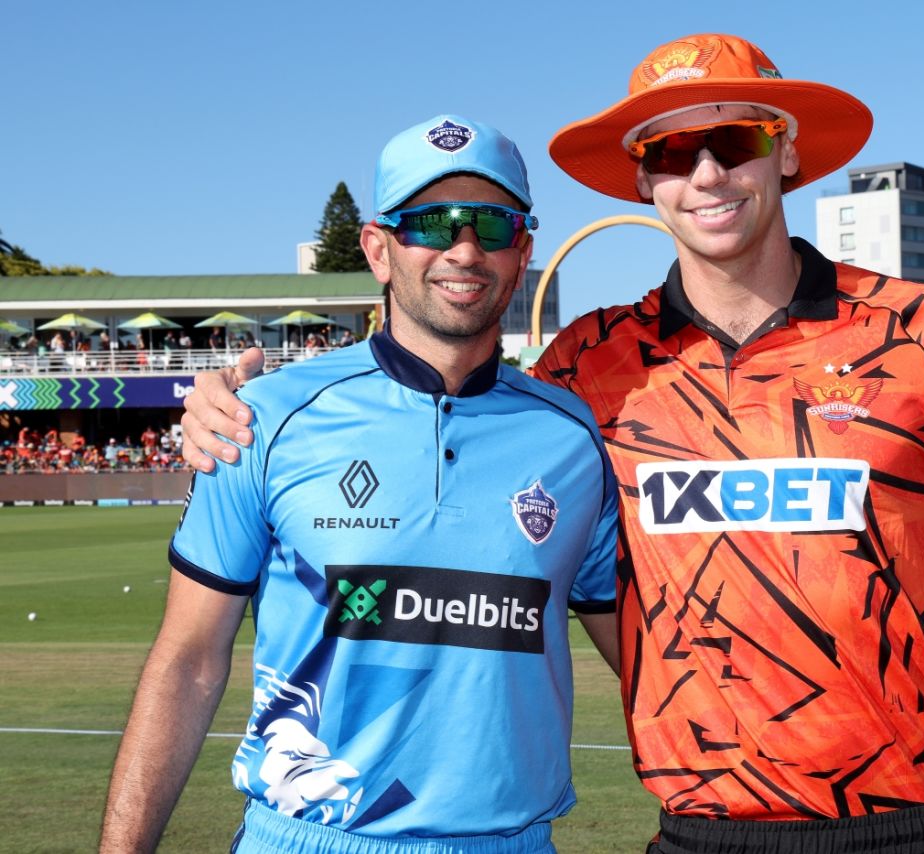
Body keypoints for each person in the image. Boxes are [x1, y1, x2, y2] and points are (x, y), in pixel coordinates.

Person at [180, 34, 924, 854]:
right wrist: (230, 402)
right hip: (699, 832)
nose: (706, 174)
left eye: (732, 142)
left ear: (787, 153)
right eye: (669, 152)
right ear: (643, 181)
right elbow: (435, 388)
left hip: (919, 826)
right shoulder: (587, 370)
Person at [102, 115, 621, 854]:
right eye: (429, 223)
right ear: (378, 249)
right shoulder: (262, 418)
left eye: (492, 225)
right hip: (308, 837)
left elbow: (645, 654)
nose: (464, 248)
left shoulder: (571, 435)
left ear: (524, 251)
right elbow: (187, 661)